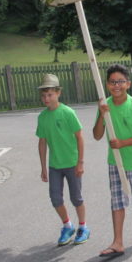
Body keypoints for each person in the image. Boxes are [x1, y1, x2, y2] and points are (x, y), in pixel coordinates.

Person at [93, 64, 132, 258]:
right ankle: (117, 241)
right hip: (115, 162)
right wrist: (102, 115)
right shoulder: (105, 105)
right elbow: (96, 135)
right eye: (112, 82)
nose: (116, 85)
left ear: (128, 84)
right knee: (117, 201)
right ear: (107, 84)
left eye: (120, 81)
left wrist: (123, 143)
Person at [35, 73, 89, 246]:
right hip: (55, 165)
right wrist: (43, 167)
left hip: (72, 163)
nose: (46, 98)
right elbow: (42, 143)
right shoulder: (42, 117)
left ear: (58, 93)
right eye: (43, 95)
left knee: (76, 198)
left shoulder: (67, 112)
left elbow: (80, 137)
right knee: (55, 198)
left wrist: (80, 162)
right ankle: (67, 225)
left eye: (50, 94)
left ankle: (83, 227)